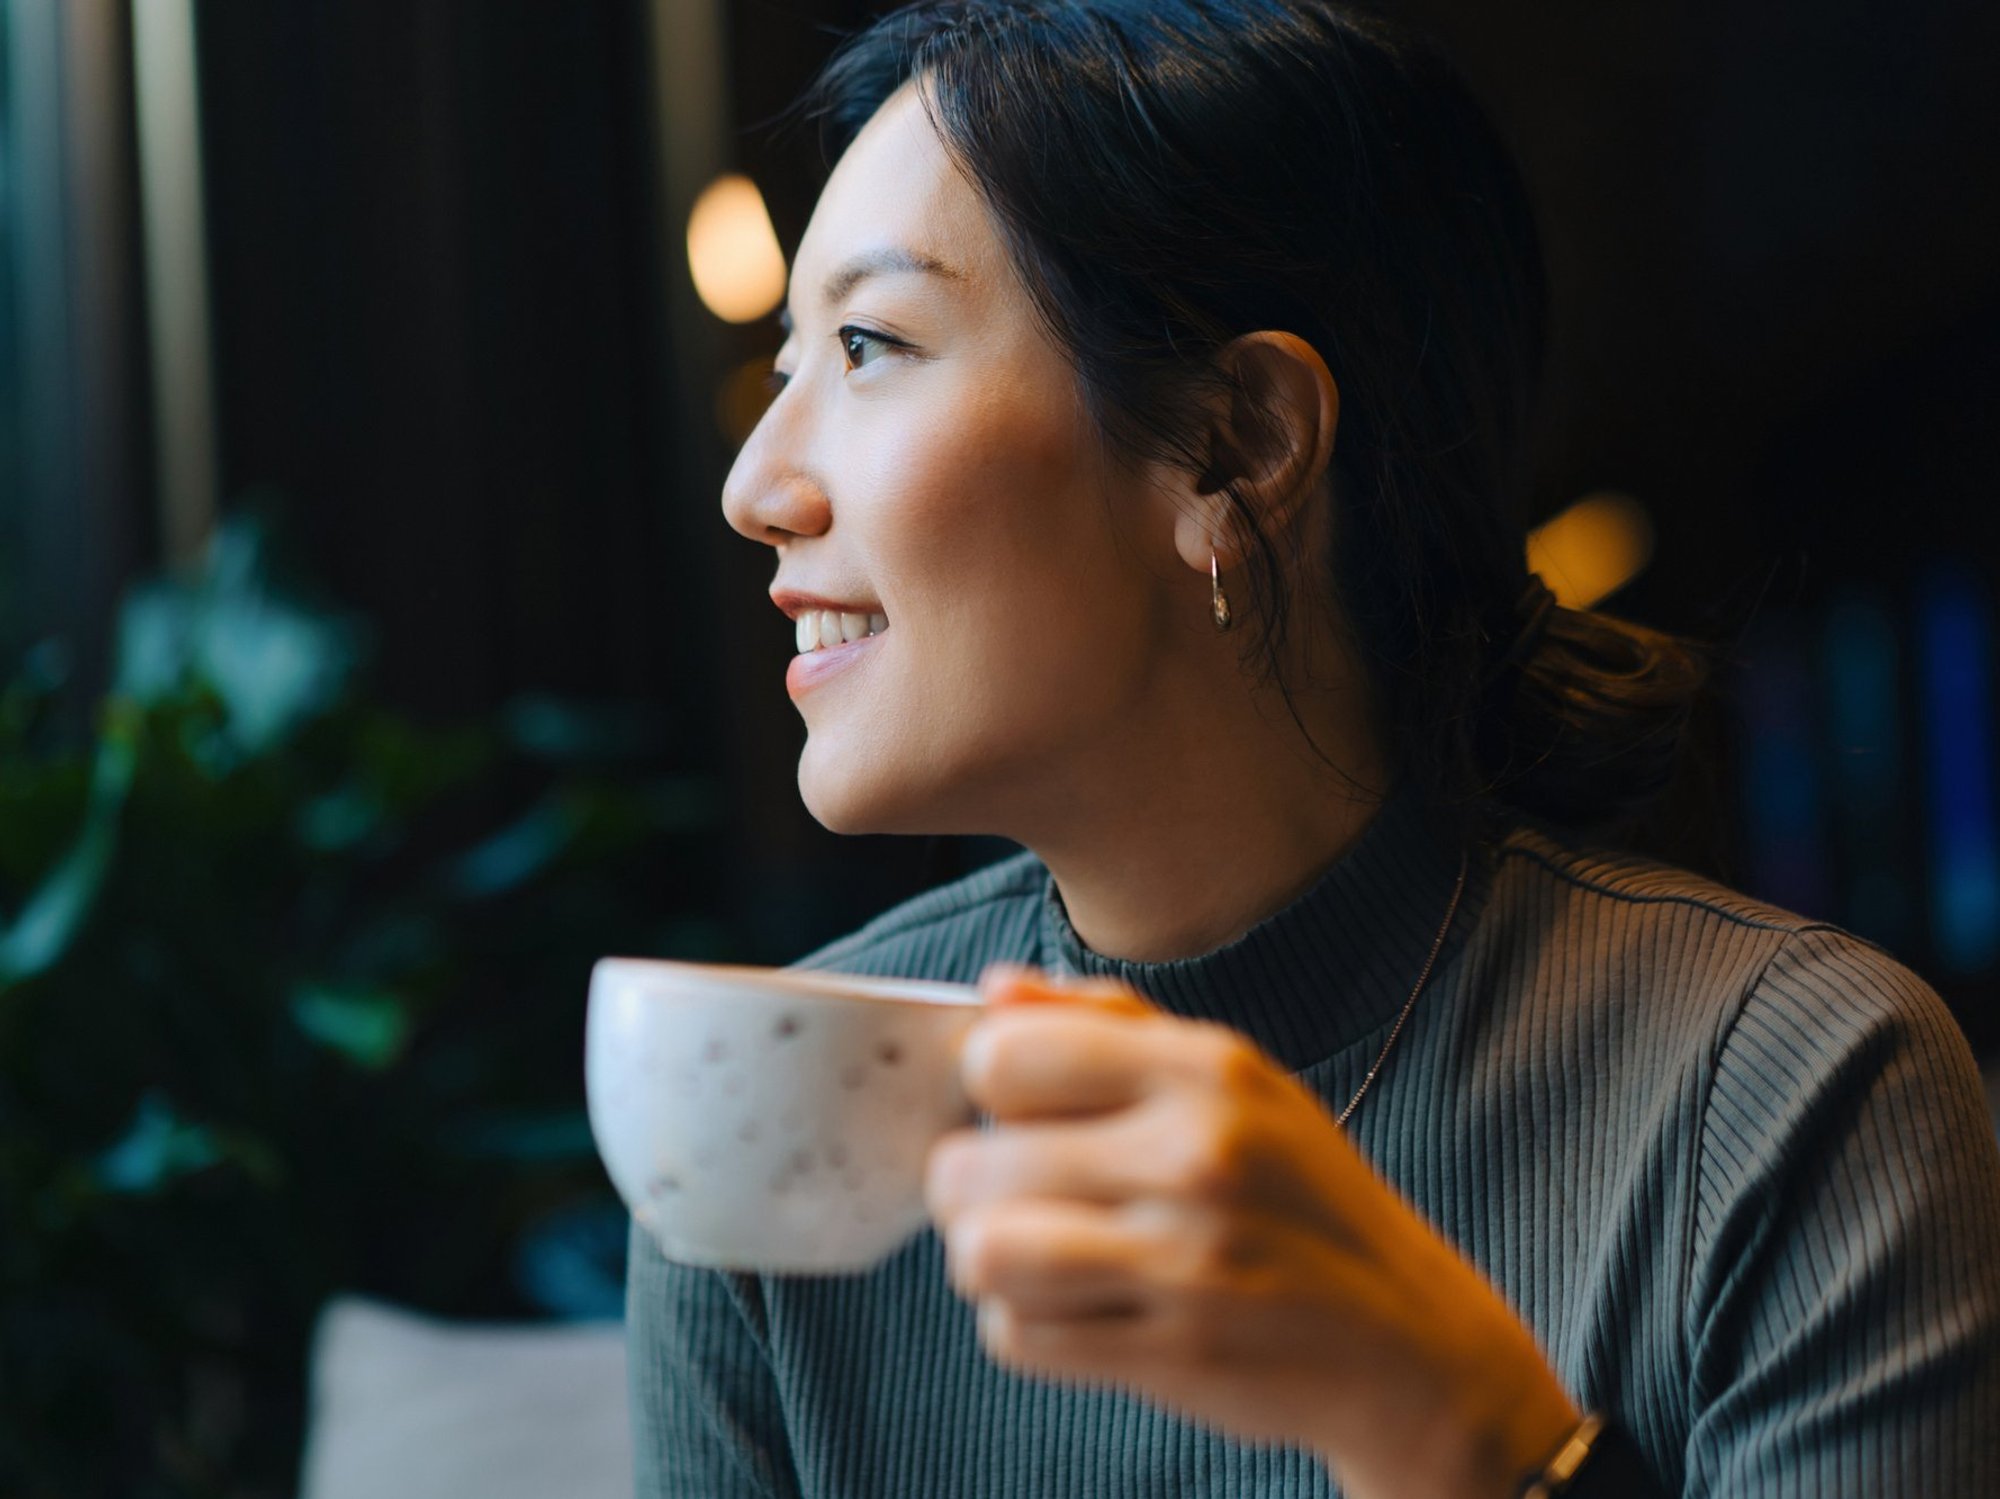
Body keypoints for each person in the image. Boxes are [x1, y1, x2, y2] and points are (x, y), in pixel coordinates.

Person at [629, 1, 2000, 1494]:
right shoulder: (773, 1121)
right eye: (785, 365)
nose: (757, 482)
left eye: (871, 345)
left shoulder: (1789, 1097)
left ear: (1238, 442)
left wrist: (1451, 1424)